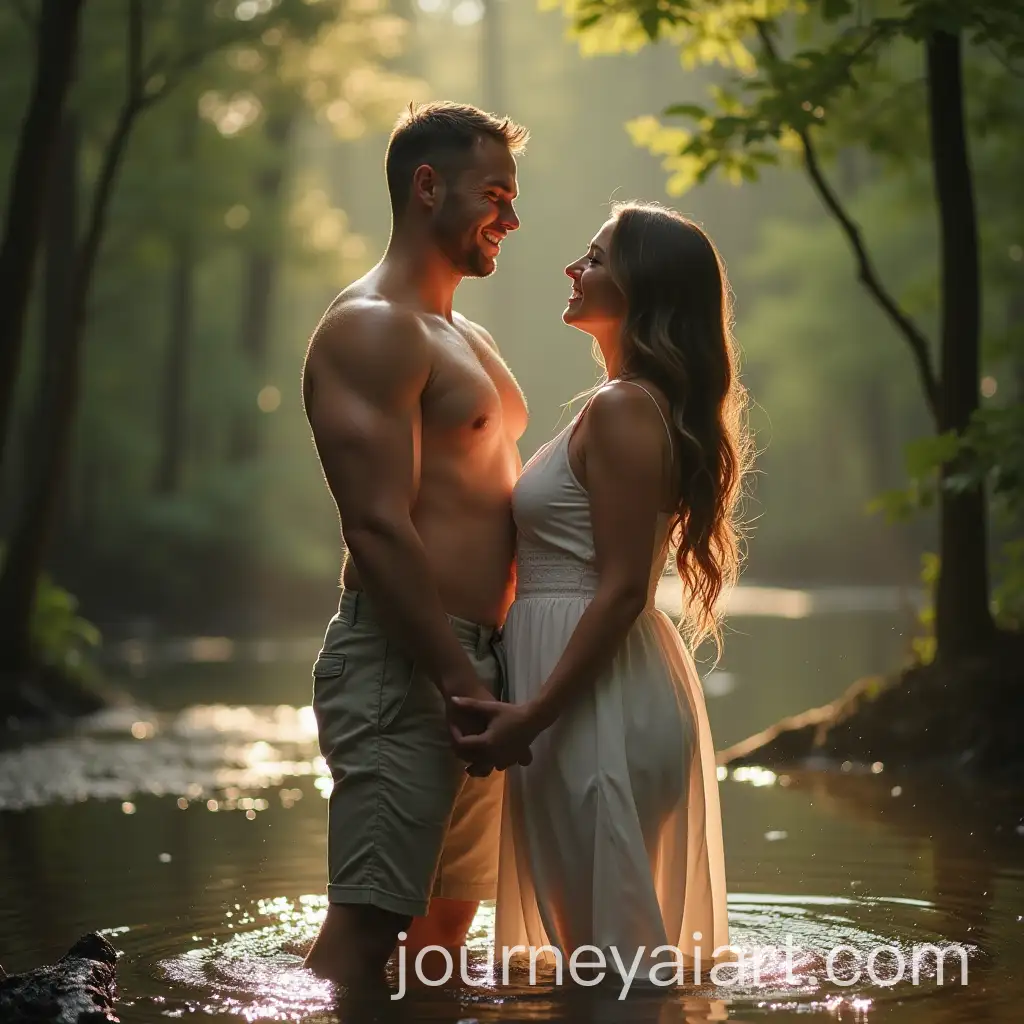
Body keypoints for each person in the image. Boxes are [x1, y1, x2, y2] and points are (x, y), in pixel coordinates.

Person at [451, 201, 750, 983]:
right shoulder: (623, 406)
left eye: (596, 257)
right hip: (586, 686)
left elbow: (622, 590)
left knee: (612, 961)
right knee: (601, 949)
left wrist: (532, 714)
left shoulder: (624, 410)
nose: (573, 268)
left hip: (592, 696)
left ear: (643, 287)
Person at [299, 100, 532, 987]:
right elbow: (377, 524)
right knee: (365, 934)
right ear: (427, 187)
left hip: (473, 668)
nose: (511, 218)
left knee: (439, 943)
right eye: (495, 194)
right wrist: (457, 679)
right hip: (411, 664)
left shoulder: (460, 333)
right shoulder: (371, 327)